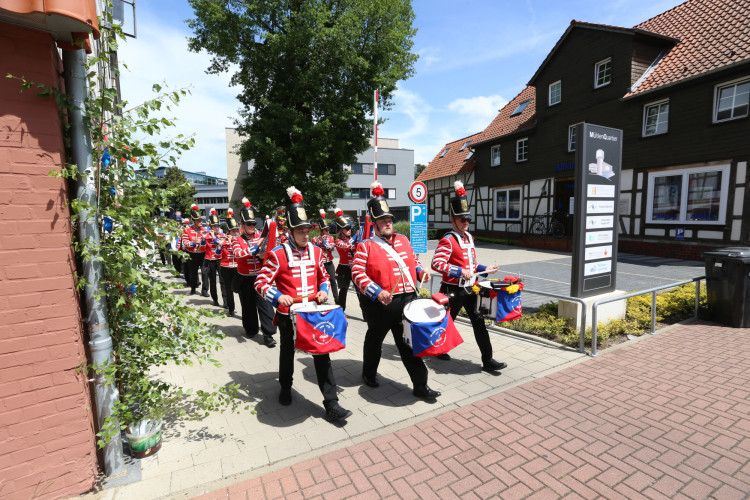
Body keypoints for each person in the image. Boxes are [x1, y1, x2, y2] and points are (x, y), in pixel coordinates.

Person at [255, 187, 352, 423]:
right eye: (300, 230)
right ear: (290, 231)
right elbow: (260, 283)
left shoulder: (318, 252)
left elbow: (324, 277)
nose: (305, 234)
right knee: (287, 353)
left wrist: (323, 290)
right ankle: (286, 387)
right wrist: (277, 297)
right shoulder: (278, 254)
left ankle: (331, 403)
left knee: (322, 353)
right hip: (289, 315)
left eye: (307, 230)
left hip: (314, 315)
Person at [351, 182, 440, 400]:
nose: (388, 223)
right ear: (375, 224)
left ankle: (421, 385)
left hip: (408, 301)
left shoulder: (404, 240)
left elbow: (414, 262)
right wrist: (376, 291)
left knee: (409, 345)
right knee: (374, 342)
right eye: (383, 220)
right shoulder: (366, 246)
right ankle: (369, 374)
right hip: (382, 304)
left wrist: (421, 273)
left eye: (390, 219)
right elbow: (357, 273)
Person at [431, 181, 508, 373]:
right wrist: (458, 271)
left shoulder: (469, 238)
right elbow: (436, 264)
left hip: (470, 288)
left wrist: (485, 268)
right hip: (453, 290)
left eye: (467, 220)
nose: (466, 223)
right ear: (453, 220)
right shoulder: (447, 240)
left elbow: (472, 265)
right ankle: (438, 349)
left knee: (479, 323)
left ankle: (488, 359)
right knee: (447, 323)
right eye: (462, 219)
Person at [232, 198, 277, 346]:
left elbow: (271, 250)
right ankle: (251, 330)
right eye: (248, 224)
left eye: (253, 224)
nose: (252, 226)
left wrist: (265, 250)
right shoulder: (236, 239)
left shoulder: (261, 236)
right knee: (248, 306)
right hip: (244, 278)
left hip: (261, 277)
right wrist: (256, 248)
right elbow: (238, 254)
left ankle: (268, 334)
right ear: (242, 225)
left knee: (266, 306)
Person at [313, 209, 339, 303]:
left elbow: (332, 248)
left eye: (328, 230)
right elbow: (313, 249)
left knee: (333, 281)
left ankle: (337, 300)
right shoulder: (315, 239)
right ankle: (318, 299)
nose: (328, 232)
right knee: (318, 281)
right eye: (326, 230)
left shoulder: (331, 238)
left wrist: (325, 243)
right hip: (320, 263)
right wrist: (319, 243)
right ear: (321, 230)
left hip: (329, 263)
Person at [217, 209, 239, 316]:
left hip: (237, 268)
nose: (235, 233)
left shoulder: (239, 241)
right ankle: (231, 308)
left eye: (236, 231)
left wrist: (232, 243)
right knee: (229, 290)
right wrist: (220, 245)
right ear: (229, 232)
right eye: (233, 231)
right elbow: (217, 254)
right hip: (226, 267)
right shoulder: (223, 241)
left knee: (240, 290)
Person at [181, 205, 206, 294]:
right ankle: (193, 288)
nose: (200, 222)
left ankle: (205, 290)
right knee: (193, 272)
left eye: (201, 220)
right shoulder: (186, 230)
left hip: (203, 254)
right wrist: (195, 243)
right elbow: (185, 242)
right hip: (192, 254)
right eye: (198, 220)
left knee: (205, 273)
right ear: (193, 221)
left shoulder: (204, 230)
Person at [333, 208, 355, 311]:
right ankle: (341, 311)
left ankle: (366, 314)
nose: (349, 230)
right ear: (341, 230)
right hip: (344, 268)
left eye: (350, 228)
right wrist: (355, 238)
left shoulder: (353, 241)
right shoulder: (338, 241)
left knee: (360, 291)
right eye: (347, 228)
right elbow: (346, 246)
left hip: (354, 268)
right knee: (343, 291)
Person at [201, 208, 223, 306]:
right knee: (213, 282)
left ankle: (226, 302)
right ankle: (215, 299)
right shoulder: (206, 236)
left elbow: (221, 243)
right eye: (214, 226)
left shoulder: (222, 235)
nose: (217, 228)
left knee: (223, 282)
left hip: (220, 260)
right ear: (211, 227)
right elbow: (202, 248)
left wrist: (214, 237)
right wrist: (202, 238)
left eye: (217, 226)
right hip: (210, 260)